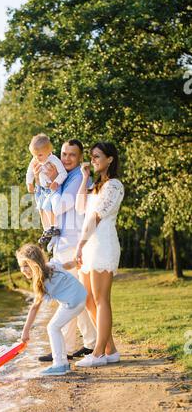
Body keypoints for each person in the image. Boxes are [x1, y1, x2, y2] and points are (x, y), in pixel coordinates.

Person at [33, 139, 97, 362]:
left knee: (69, 298)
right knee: (76, 298)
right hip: (61, 245)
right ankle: (91, 342)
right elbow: (43, 203)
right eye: (63, 154)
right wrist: (44, 184)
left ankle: (68, 348)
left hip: (73, 245)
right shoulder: (64, 177)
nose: (67, 158)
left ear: (80, 157)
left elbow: (60, 206)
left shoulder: (78, 178)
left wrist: (52, 182)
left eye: (72, 154)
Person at [74, 142, 124, 367]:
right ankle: (110, 349)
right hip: (89, 245)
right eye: (92, 157)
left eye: (97, 156)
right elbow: (79, 207)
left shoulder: (114, 186)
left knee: (101, 299)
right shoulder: (96, 185)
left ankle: (98, 354)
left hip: (102, 244)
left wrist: (79, 245)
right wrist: (84, 179)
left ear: (110, 159)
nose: (92, 160)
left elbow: (96, 218)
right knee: (87, 299)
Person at [16, 243, 87, 376]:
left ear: (34, 263)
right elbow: (66, 266)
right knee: (55, 327)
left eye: (26, 265)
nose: (23, 270)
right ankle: (63, 362)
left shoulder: (40, 280)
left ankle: (59, 364)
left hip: (73, 302)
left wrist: (25, 331)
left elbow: (34, 308)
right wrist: (75, 263)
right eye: (21, 266)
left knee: (52, 328)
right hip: (80, 296)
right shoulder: (51, 266)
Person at [26, 133, 67, 245]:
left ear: (48, 152)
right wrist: (29, 183)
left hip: (54, 188)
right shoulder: (35, 160)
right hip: (43, 190)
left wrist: (56, 182)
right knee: (41, 209)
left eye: (39, 155)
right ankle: (47, 230)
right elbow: (29, 172)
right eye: (34, 155)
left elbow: (63, 173)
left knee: (50, 206)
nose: (36, 158)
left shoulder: (54, 160)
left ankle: (55, 227)